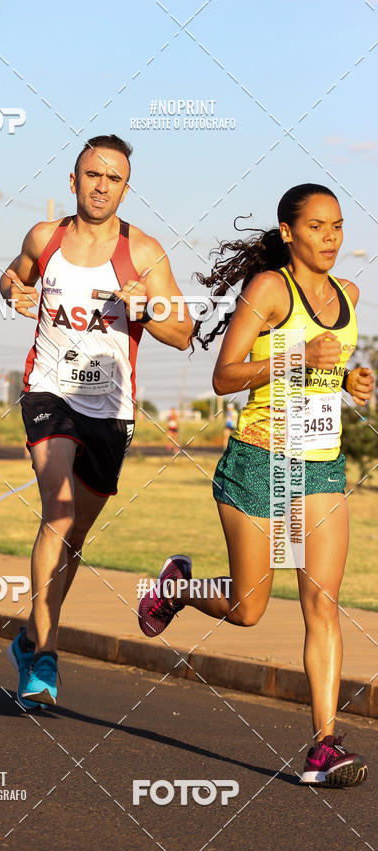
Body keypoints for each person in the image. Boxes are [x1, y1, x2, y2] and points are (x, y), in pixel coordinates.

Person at [138, 183, 374, 788]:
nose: (330, 238)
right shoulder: (269, 288)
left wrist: (348, 381)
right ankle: (179, 589)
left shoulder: (349, 295)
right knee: (248, 610)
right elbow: (225, 376)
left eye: (337, 226)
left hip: (320, 467)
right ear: (289, 232)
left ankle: (323, 746)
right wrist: (300, 358)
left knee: (322, 605)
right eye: (316, 227)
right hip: (259, 462)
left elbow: (322, 370)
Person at [0, 134, 193, 708]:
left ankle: (29, 638)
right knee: (57, 514)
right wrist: (12, 292)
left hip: (110, 409)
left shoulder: (145, 253)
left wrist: (145, 309)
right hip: (48, 392)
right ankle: (47, 654)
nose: (102, 186)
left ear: (125, 189)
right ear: (74, 180)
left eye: (114, 178)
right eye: (92, 174)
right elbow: (13, 277)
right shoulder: (45, 238)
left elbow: (183, 332)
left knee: (75, 537)